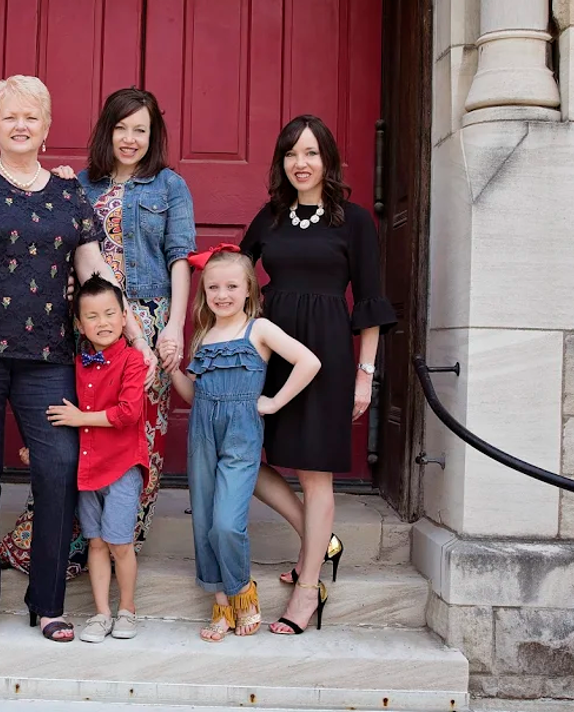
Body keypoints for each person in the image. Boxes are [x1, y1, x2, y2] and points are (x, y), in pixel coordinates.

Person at [0, 75, 156, 643]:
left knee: (59, 471)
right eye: (9, 117)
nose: (20, 126)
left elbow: (95, 273)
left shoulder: (68, 194)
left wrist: (134, 333)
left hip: (50, 357)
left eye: (31, 117)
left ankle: (48, 602)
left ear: (47, 127)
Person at [0, 87, 196, 578]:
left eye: (141, 130)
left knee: (137, 436)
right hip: (87, 329)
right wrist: (57, 185)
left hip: (145, 326)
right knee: (79, 431)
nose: (130, 139)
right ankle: (54, 545)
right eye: (121, 127)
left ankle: (119, 544)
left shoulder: (170, 186)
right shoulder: (77, 184)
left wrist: (172, 327)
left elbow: (179, 259)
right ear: (107, 131)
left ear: (154, 136)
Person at [239, 114, 396, 636]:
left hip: (325, 350)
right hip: (270, 349)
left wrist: (365, 373)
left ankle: (308, 588)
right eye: (290, 154)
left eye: (310, 153)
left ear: (326, 159)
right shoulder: (271, 216)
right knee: (238, 452)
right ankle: (318, 540)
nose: (300, 164)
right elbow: (234, 275)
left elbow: (371, 300)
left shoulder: (353, 221)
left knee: (315, 474)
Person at [168, 246, 320, 641]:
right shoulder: (203, 335)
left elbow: (309, 362)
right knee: (204, 522)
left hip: (240, 435)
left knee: (226, 525)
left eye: (232, 286)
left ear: (249, 290)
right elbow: (193, 395)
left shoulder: (260, 330)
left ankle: (242, 593)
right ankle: (221, 601)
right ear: (204, 293)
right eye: (214, 287)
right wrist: (171, 372)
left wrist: (273, 401)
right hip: (202, 433)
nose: (222, 294)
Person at [46, 275, 150, 644]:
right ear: (79, 323)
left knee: (120, 543)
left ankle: (127, 610)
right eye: (92, 316)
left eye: (110, 313)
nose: (102, 322)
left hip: (121, 468)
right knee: (96, 543)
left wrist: (81, 419)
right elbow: (60, 413)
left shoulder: (133, 361)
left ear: (124, 318)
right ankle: (102, 613)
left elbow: (127, 413)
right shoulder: (77, 363)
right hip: (88, 469)